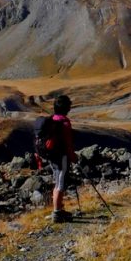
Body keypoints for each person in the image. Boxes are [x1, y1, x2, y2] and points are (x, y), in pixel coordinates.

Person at [49, 94, 78, 223]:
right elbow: (68, 143)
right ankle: (57, 213)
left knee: (57, 182)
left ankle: (58, 209)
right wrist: (73, 157)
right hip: (61, 157)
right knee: (60, 184)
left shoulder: (53, 119)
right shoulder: (64, 122)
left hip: (52, 156)